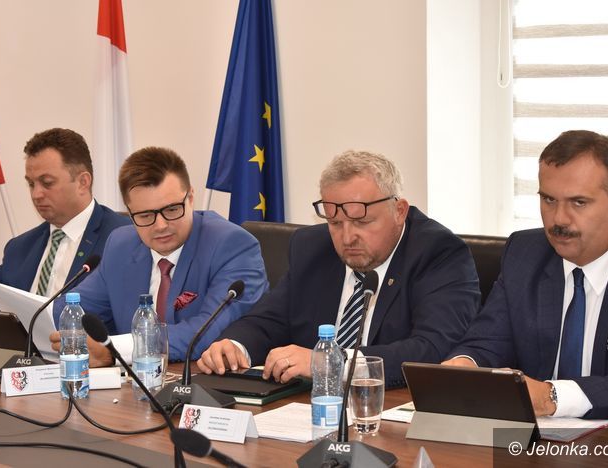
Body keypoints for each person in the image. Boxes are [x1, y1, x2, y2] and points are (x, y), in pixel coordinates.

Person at [197, 150, 481, 388]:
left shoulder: (438, 253)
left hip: (389, 409)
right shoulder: (312, 247)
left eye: (362, 222)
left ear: (400, 211)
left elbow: (432, 349)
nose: (347, 238)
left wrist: (331, 362)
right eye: (335, 223)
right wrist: (235, 345)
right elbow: (269, 321)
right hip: (307, 407)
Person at [444, 130, 608, 420]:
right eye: (549, 200)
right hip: (527, 437)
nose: (559, 219)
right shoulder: (525, 253)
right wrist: (465, 364)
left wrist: (554, 397)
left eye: (578, 202)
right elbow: (488, 341)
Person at [51, 146, 268, 366]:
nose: (161, 225)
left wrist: (113, 351)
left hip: (202, 380)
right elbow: (69, 310)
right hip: (133, 382)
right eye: (145, 215)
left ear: (191, 198)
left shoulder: (232, 245)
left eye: (172, 210)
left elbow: (205, 333)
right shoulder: (121, 245)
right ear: (130, 213)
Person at [0, 128, 129, 310]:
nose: (36, 194)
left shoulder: (123, 238)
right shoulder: (20, 247)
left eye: (47, 183)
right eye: (31, 184)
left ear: (82, 182)